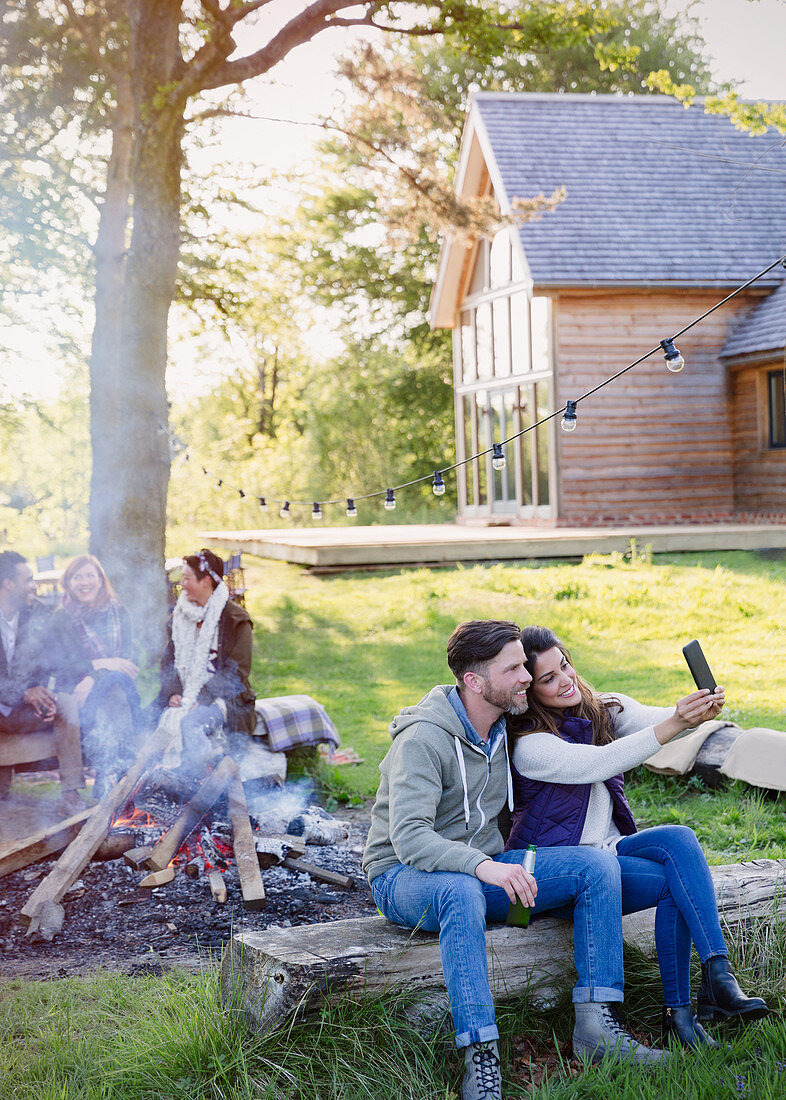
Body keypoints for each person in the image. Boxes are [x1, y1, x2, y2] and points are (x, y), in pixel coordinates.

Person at [363, 620, 670, 1100]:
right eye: (514, 669)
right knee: (459, 890)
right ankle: (481, 1057)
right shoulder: (423, 740)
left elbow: (594, 709)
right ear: (474, 682)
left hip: (486, 869)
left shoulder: (503, 727)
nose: (527, 676)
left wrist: (677, 715)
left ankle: (598, 1026)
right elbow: (409, 839)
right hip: (403, 878)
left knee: (593, 866)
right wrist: (485, 866)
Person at [507, 625, 769, 1052]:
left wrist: (696, 711)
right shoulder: (530, 746)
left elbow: (658, 721)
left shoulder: (600, 708)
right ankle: (686, 1010)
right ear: (530, 692)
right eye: (548, 678)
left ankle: (711, 982)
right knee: (674, 884)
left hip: (608, 854)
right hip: (560, 871)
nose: (566, 679)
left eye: (565, 665)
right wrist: (674, 723)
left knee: (679, 839)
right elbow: (598, 762)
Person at [151, 549, 255, 771]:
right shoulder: (179, 617)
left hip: (226, 699)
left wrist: (202, 697)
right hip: (186, 695)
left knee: (192, 723)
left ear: (206, 581)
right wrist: (174, 693)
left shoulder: (235, 620)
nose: (182, 583)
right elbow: (168, 663)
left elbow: (236, 673)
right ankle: (153, 785)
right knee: (146, 721)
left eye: (187, 578)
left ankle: (201, 783)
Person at [0, 550, 85, 813]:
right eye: (28, 580)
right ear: (8, 584)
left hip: (26, 711)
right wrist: (24, 692)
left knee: (66, 704)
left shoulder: (36, 613)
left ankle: (71, 795)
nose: (33, 586)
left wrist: (48, 695)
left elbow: (59, 662)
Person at [54, 554, 143, 798]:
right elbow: (65, 665)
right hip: (74, 687)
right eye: (77, 576)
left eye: (90, 575)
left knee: (114, 691)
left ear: (101, 580)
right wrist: (107, 664)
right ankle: (102, 778)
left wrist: (94, 674)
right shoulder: (61, 618)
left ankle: (113, 773)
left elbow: (129, 662)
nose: (85, 582)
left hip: (111, 686)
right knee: (104, 695)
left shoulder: (118, 612)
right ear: (68, 583)